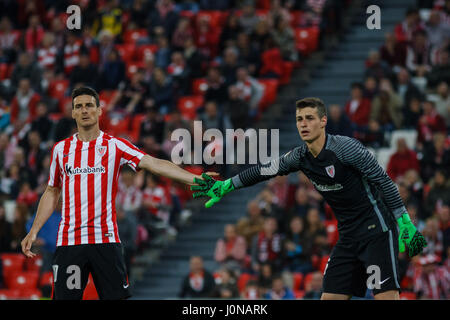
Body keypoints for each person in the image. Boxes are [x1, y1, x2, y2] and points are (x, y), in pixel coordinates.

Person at [192, 97, 428, 300]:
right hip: (348, 236)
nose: (303, 124)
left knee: (386, 296)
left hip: (377, 232)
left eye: (309, 118)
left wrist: (404, 220)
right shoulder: (299, 157)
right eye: (299, 119)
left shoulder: (346, 148)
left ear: (323, 121)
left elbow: (384, 181)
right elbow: (264, 170)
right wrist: (227, 185)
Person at [21, 86, 213, 300]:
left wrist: (196, 179)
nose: (84, 110)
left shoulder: (114, 146)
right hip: (70, 242)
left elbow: (153, 163)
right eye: (79, 107)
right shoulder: (60, 150)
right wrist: (34, 230)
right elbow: (52, 190)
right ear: (73, 112)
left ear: (99, 110)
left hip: (105, 240)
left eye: (89, 105)